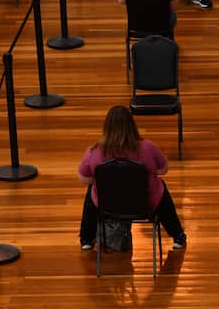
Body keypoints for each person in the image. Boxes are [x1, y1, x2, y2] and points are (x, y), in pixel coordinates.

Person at [78, 105, 187, 251]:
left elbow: (84, 178)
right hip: (145, 205)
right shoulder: (148, 148)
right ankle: (177, 235)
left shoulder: (95, 152)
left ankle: (86, 238)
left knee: (92, 189)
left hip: (108, 206)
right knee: (160, 188)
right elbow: (163, 169)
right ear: (131, 125)